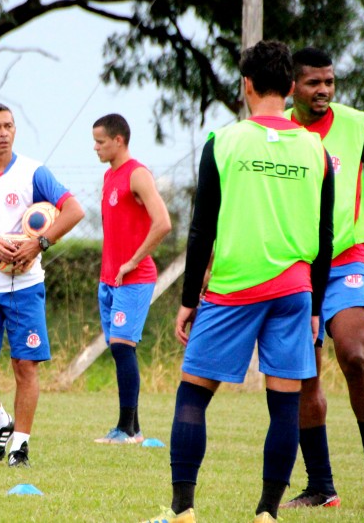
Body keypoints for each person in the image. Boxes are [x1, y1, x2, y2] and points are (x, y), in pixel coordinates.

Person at [140, 40, 334, 523]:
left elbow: (201, 229)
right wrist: (315, 306)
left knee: (193, 394)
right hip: (295, 290)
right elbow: (325, 237)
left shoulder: (222, 143)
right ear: (291, 88)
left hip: (232, 289)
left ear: (246, 85)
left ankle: (183, 509)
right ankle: (267, 512)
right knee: (284, 404)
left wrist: (188, 300)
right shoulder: (317, 151)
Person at [280, 47, 364, 511]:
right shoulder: (277, 130)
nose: (324, 90)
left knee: (356, 357)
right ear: (293, 87)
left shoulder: (358, 125)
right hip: (295, 268)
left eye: (329, 81)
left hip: (345, 262)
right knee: (306, 377)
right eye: (313, 83)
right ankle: (321, 487)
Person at [0, 102, 84, 467]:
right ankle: (0, 423)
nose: (3, 132)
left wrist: (39, 243)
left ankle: (19, 448)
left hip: (25, 285)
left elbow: (74, 210)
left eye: (8, 125)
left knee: (25, 367)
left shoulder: (33, 171)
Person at [91, 114, 171, 444]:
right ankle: (133, 429)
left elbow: (163, 222)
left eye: (100, 141)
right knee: (119, 348)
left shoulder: (137, 174)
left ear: (118, 140)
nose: (95, 147)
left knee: (124, 347)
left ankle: (126, 429)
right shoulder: (110, 176)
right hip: (108, 279)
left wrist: (133, 261)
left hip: (135, 279)